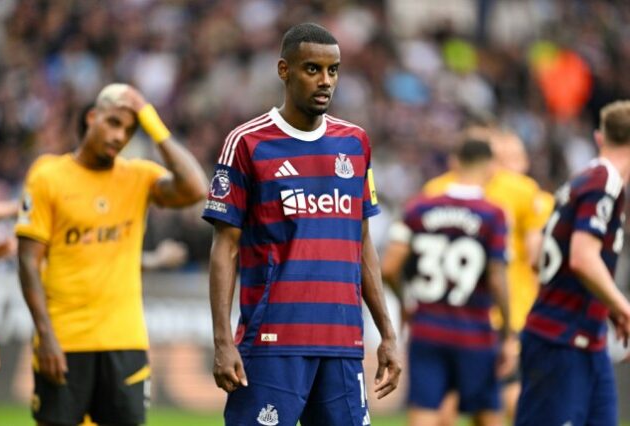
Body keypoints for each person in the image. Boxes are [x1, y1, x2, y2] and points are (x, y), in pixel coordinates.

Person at [202, 23, 401, 425]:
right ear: (284, 70)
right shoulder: (247, 143)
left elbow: (361, 243)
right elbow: (225, 247)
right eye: (312, 69)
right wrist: (223, 341)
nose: (325, 81)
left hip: (343, 344)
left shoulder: (355, 143)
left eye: (333, 70)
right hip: (273, 343)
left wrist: (388, 334)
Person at [15, 83, 207, 426]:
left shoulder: (138, 177)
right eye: (114, 123)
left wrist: (150, 119)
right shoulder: (48, 176)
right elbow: (29, 261)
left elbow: (195, 188)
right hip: (65, 339)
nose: (120, 136)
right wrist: (45, 336)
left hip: (125, 341)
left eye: (130, 131)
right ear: (92, 117)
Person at [382, 139, 518, 426]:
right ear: (491, 167)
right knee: (487, 416)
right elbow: (496, 278)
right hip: (476, 331)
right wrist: (507, 332)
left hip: (428, 328)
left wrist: (407, 301)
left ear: (455, 162)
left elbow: (389, 268)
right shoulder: (493, 215)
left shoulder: (419, 207)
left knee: (424, 415)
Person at [422, 125, 550, 423]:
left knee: (444, 405)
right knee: (505, 401)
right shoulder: (523, 191)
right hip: (509, 314)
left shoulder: (435, 190)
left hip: (451, 315)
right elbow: (535, 258)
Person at [516, 101, 630, 425]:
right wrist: (623, 307)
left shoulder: (578, 182)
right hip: (560, 338)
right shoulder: (604, 183)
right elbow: (582, 257)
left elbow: (537, 255)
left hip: (586, 338)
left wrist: (605, 305)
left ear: (599, 137)